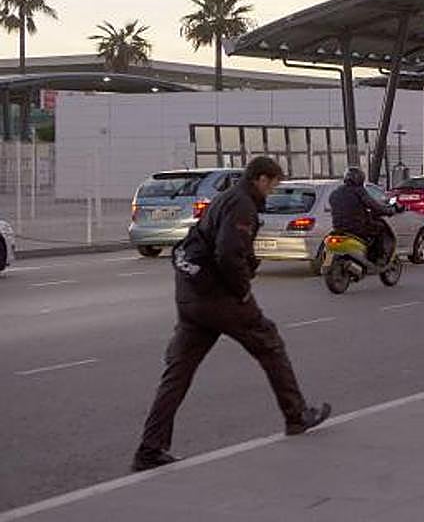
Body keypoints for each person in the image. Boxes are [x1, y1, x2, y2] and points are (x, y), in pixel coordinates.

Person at [133, 157, 331, 472]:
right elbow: (228, 253)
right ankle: (296, 416)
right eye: (274, 183)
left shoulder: (224, 197)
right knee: (270, 344)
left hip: (190, 295)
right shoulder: (242, 205)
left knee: (177, 374)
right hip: (219, 297)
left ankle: (150, 448)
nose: (273, 190)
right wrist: (242, 291)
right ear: (262, 179)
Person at [329, 166, 395, 264]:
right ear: (359, 178)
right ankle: (379, 257)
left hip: (338, 227)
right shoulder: (359, 191)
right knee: (380, 228)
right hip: (357, 227)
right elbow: (374, 206)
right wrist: (390, 211)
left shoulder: (335, 193)